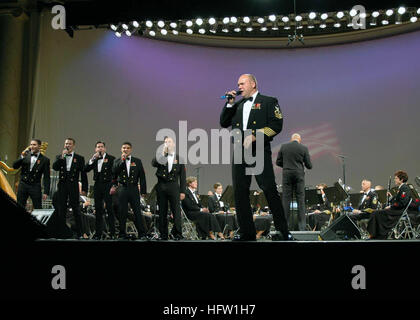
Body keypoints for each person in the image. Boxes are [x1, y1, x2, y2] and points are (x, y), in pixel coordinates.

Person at [220, 74, 291, 241]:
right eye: (238, 84)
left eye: (242, 83)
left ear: (253, 84)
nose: (239, 87)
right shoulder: (236, 104)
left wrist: (255, 135)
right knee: (240, 192)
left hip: (259, 150)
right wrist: (229, 104)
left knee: (269, 189)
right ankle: (247, 232)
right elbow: (224, 122)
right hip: (239, 152)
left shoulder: (269, 101)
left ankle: (283, 230)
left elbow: (276, 125)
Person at [111, 142, 147, 240]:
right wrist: (122, 161)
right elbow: (114, 172)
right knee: (122, 212)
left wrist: (143, 191)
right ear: (121, 149)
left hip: (134, 188)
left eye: (127, 148)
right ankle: (122, 234)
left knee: (137, 211)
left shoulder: (137, 161)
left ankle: (142, 233)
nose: (125, 149)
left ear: (130, 149)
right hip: (122, 189)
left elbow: (142, 177)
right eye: (124, 148)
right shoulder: (117, 161)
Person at [52, 138, 88, 239]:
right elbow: (55, 167)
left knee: (76, 209)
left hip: (73, 185)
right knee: (61, 208)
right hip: (62, 184)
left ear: (74, 145)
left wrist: (84, 188)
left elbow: (83, 174)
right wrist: (61, 158)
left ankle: (80, 233)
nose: (68, 145)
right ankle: (61, 231)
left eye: (70, 144)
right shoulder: (59, 157)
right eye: (66, 144)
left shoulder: (79, 158)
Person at [151, 136, 186, 240]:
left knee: (176, 211)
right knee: (162, 211)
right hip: (161, 186)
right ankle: (163, 234)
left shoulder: (180, 158)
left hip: (174, 185)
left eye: (169, 142)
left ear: (174, 144)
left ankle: (178, 234)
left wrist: (182, 191)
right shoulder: (161, 156)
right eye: (165, 142)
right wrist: (162, 154)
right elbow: (153, 163)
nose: (167, 144)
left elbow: (183, 176)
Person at [276, 133, 312, 231]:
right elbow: (309, 165)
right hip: (299, 175)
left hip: (287, 174)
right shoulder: (303, 148)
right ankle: (302, 227)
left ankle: (284, 227)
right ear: (299, 140)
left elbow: (278, 162)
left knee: (286, 200)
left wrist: (287, 166)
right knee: (300, 200)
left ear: (291, 139)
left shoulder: (284, 147)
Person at [84, 141, 116, 240]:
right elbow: (86, 169)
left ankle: (112, 232)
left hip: (108, 185)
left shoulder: (111, 158)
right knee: (98, 210)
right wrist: (92, 159)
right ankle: (98, 232)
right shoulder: (94, 159)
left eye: (102, 147)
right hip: (97, 185)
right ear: (95, 149)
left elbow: (115, 173)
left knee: (109, 209)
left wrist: (114, 185)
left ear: (105, 149)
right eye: (98, 147)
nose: (100, 148)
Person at [367, 170, 412, 239]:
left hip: (398, 211)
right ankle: (377, 234)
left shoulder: (405, 188)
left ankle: (375, 234)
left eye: (396, 178)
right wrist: (391, 197)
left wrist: (391, 206)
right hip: (396, 210)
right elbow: (398, 200)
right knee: (376, 212)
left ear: (401, 179)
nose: (395, 180)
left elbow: (402, 203)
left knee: (376, 213)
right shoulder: (401, 188)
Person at [12, 139, 50, 209]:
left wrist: (46, 191)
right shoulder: (25, 156)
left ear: (39, 146)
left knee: (38, 207)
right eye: (31, 144)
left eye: (34, 145)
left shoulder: (45, 160)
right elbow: (14, 166)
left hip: (35, 186)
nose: (32, 146)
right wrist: (22, 157)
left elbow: (46, 177)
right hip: (23, 184)